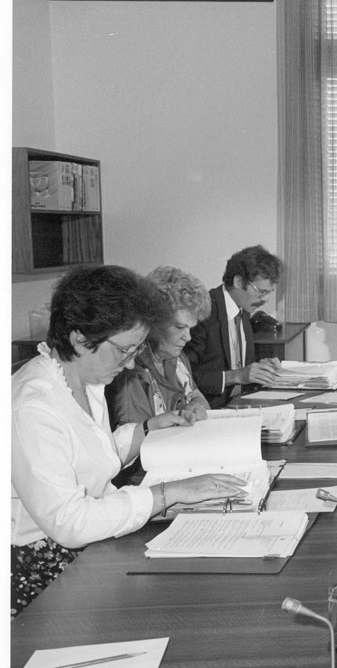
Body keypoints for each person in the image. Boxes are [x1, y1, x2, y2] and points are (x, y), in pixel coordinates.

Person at [11, 265, 246, 616]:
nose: (132, 360)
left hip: (83, 545)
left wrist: (147, 429)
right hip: (40, 570)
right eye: (125, 350)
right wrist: (169, 493)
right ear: (79, 338)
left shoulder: (84, 378)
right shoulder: (32, 406)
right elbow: (70, 524)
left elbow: (90, 456)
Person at [107, 266, 213, 484]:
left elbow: (197, 396)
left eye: (191, 328)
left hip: (184, 463)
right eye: (180, 327)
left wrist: (195, 407)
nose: (188, 337)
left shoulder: (177, 358)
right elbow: (135, 452)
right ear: (153, 322)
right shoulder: (131, 372)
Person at [185, 245, 285, 408]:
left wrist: (261, 367)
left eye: (269, 292)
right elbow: (183, 377)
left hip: (241, 404)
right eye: (262, 292)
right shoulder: (204, 314)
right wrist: (235, 376)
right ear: (238, 282)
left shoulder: (243, 309)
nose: (266, 300)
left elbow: (238, 363)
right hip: (211, 409)